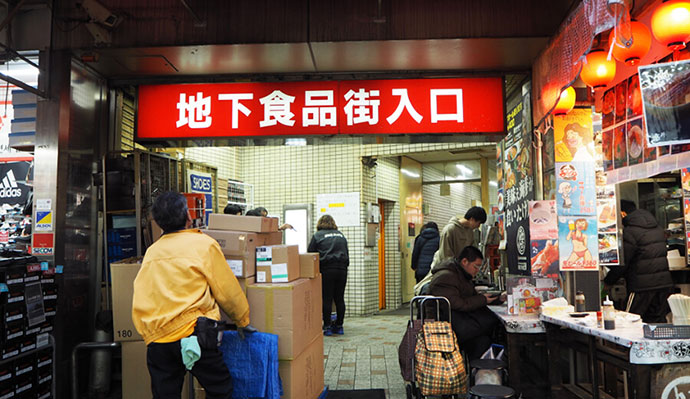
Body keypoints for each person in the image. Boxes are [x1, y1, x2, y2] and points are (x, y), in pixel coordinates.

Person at [132, 191, 255, 399]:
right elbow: (226, 289)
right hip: (194, 333)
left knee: (165, 395)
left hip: (158, 338)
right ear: (189, 217)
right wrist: (242, 320)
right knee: (219, 388)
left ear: (160, 224)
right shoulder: (203, 244)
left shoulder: (152, 252)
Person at [428, 246, 504, 361]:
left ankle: (484, 370)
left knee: (487, 335)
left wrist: (498, 299)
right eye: (476, 266)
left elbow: (470, 297)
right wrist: (483, 299)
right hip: (447, 327)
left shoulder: (460, 274)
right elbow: (458, 304)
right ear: (464, 262)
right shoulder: (446, 277)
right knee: (490, 328)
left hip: (459, 321)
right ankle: (483, 370)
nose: (477, 270)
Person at [604, 200, 674, 323]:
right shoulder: (657, 228)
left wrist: (609, 281)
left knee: (630, 321)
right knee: (657, 323)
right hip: (664, 285)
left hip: (641, 287)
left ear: (622, 213)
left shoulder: (630, 232)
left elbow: (623, 262)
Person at [308, 214, 349, 336]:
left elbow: (311, 254)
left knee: (327, 298)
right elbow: (346, 253)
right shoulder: (341, 235)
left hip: (326, 269)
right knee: (339, 298)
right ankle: (339, 326)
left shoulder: (318, 236)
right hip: (342, 269)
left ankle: (327, 327)